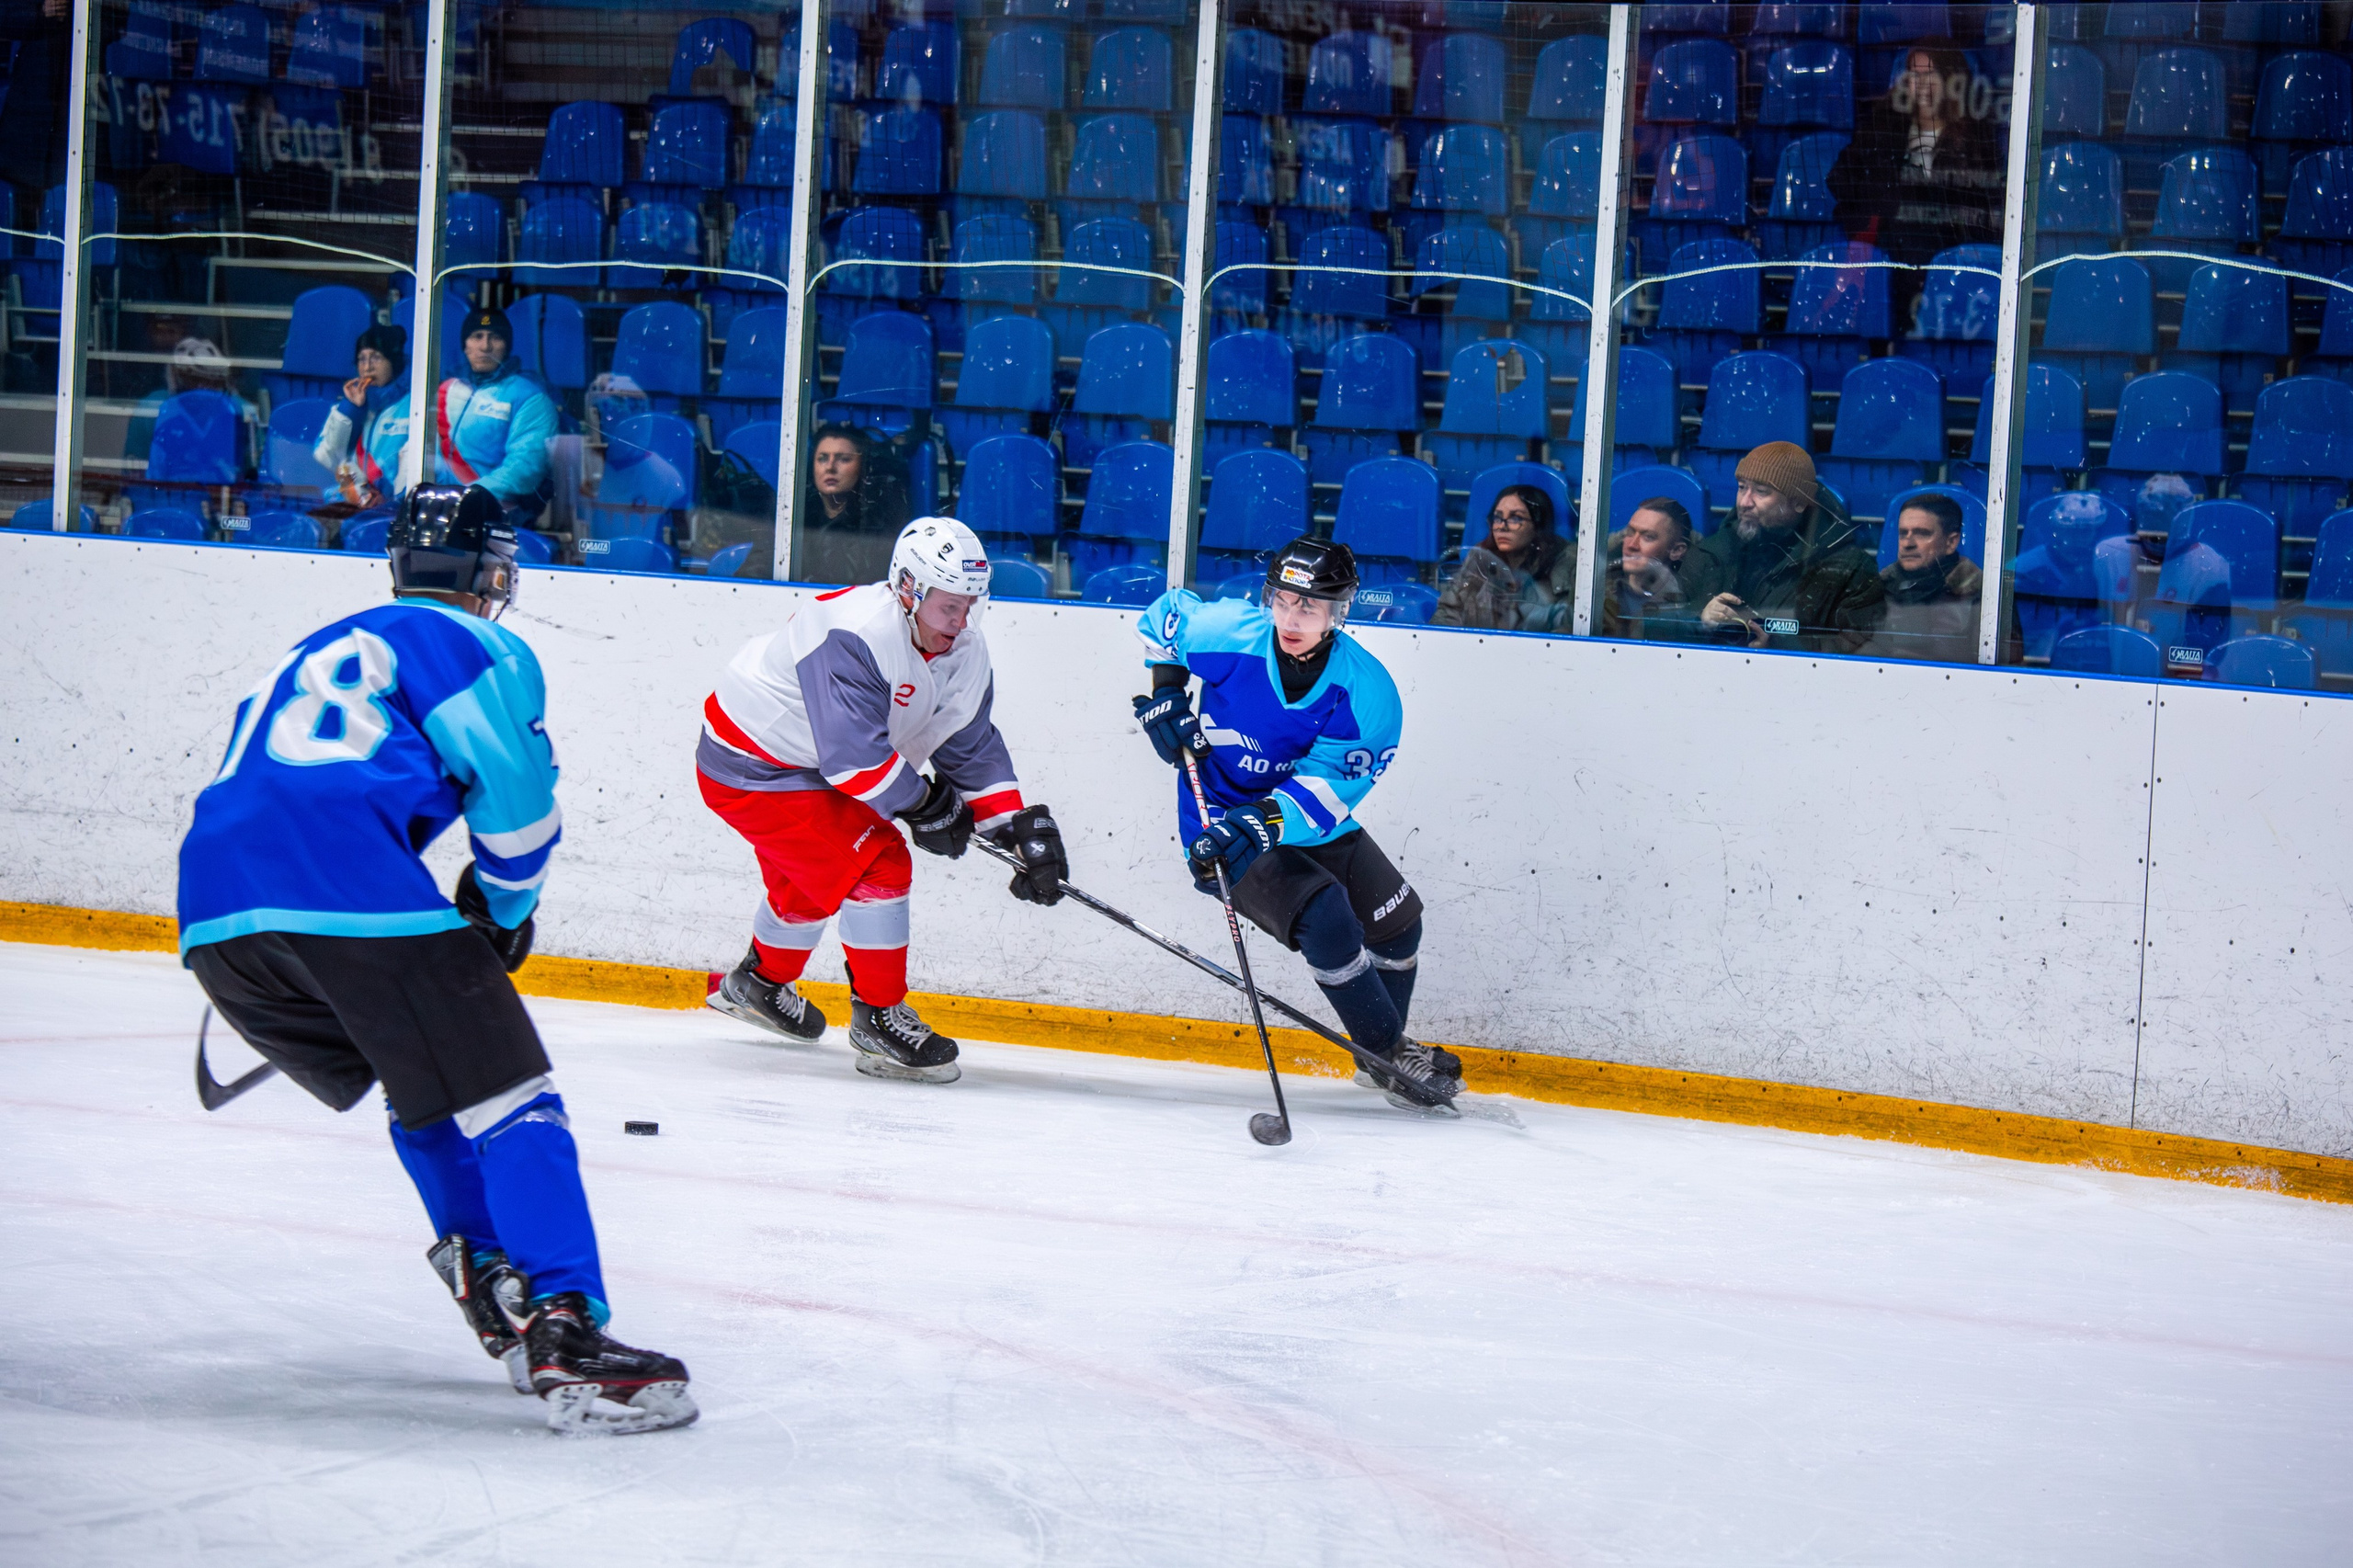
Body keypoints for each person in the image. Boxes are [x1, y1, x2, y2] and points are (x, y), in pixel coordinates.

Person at [174, 484, 695, 1437]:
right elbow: (521, 811)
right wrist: (501, 909)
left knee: (422, 1084)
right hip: (339, 885)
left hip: (213, 913)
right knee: (510, 1093)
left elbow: (288, 781)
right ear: (489, 571)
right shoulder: (474, 642)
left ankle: (489, 1278)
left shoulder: (318, 644)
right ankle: (566, 1323)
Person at [699, 516, 1068, 1084]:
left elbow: (966, 747)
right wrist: (923, 805)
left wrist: (1016, 829)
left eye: (973, 604)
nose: (963, 620)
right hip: (754, 765)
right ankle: (878, 1018)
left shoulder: (963, 648)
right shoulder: (853, 631)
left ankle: (759, 984)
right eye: (950, 605)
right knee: (879, 860)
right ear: (907, 591)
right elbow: (853, 758)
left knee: (820, 873)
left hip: (809, 767)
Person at [1131, 537, 1459, 1109]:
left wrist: (1263, 822)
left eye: (1309, 606)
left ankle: (1376, 1054)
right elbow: (1167, 618)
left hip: (1298, 820)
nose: (1291, 617)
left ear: (1338, 611)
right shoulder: (1231, 635)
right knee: (1326, 916)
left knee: (1397, 922)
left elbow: (1331, 786)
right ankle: (1389, 1053)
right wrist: (1166, 694)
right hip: (1218, 825)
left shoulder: (1366, 691)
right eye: (1282, 599)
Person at [1658, 442, 1886, 653]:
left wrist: (1776, 649)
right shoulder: (1710, 554)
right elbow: (1657, 626)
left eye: (1761, 491)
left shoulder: (1848, 570)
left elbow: (1863, 648)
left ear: (1798, 502)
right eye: (1741, 487)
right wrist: (1699, 621)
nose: (1744, 502)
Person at [1830, 44, 2004, 316]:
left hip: (1950, 262)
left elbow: (1986, 206)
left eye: (1929, 74)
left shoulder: (1976, 138)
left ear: (1950, 81)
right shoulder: (1884, 129)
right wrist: (1877, 207)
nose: (1920, 83)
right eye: (1914, 74)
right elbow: (1840, 179)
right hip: (1892, 256)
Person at [430, 306, 559, 521]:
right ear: (465, 346)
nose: (485, 346)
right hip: (441, 511)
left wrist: (466, 500)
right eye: (477, 336)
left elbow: (525, 467)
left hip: (498, 515)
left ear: (506, 346)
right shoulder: (448, 390)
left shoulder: (530, 397)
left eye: (495, 337)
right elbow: (425, 452)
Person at [1431, 483, 1577, 631]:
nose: (1502, 526)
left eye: (1516, 519)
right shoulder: (1480, 557)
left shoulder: (1570, 560)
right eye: (1498, 518)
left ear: (1538, 525)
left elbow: (1571, 627)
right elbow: (1449, 612)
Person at [1870, 493, 1983, 663]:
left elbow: (2003, 671)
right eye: (1902, 534)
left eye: (1922, 533)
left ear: (1951, 542)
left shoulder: (1984, 596)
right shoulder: (1877, 588)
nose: (1908, 544)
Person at [799, 421, 913, 586]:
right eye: (822, 459)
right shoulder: (795, 517)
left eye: (844, 459)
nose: (830, 467)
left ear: (863, 467)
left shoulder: (878, 523)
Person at [313, 324, 414, 510]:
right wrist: (351, 410)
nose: (367, 367)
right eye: (362, 359)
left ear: (394, 362)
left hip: (394, 509)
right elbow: (328, 456)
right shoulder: (348, 406)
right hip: (356, 503)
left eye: (376, 358)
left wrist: (390, 500)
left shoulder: (414, 406)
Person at [1604, 495, 1692, 638]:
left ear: (1677, 551)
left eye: (1648, 537)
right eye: (1630, 533)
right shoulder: (1594, 590)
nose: (1631, 545)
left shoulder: (1688, 604)